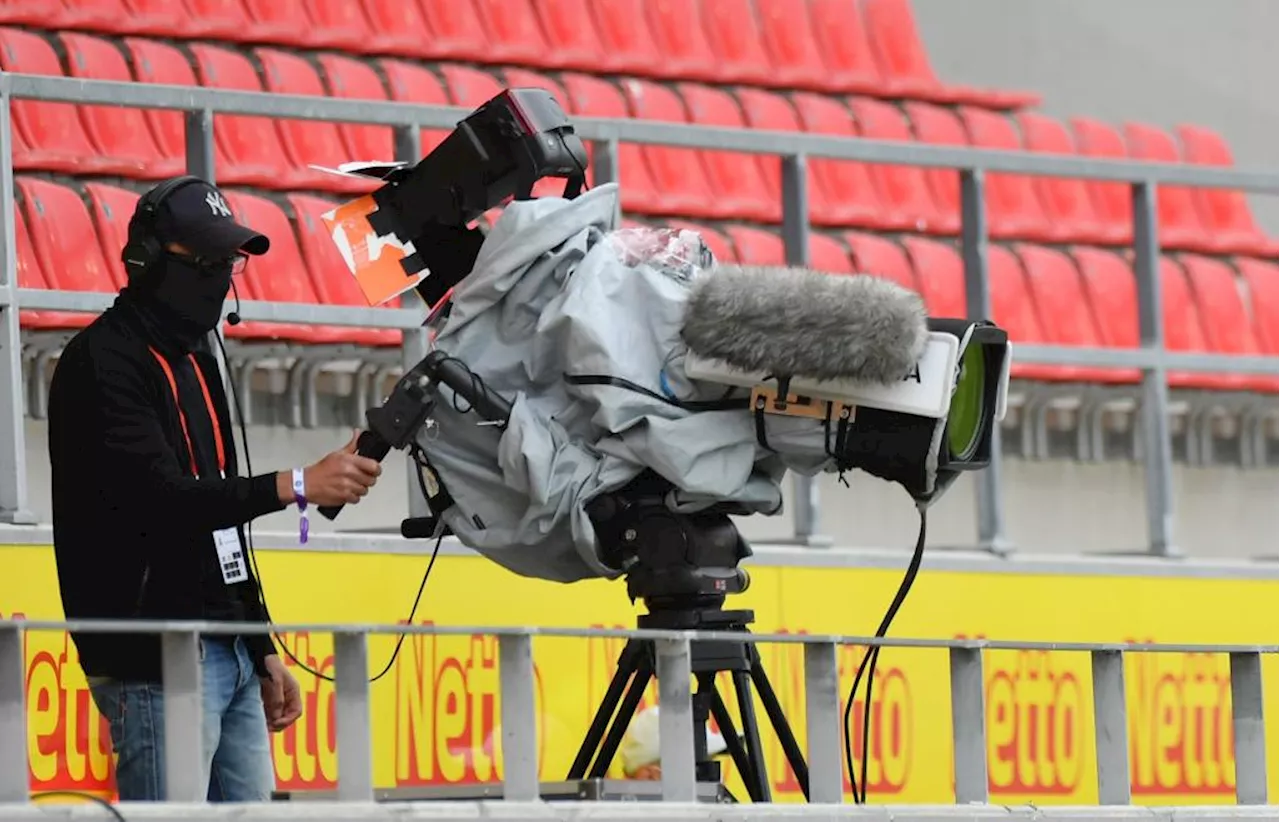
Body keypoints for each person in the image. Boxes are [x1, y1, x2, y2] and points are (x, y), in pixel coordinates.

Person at [46, 175, 384, 802]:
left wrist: (259, 646)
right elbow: (162, 502)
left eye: (228, 262)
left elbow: (219, 517)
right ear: (146, 260)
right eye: (204, 260)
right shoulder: (102, 362)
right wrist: (299, 484)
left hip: (224, 651)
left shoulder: (198, 356)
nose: (219, 276)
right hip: (155, 660)